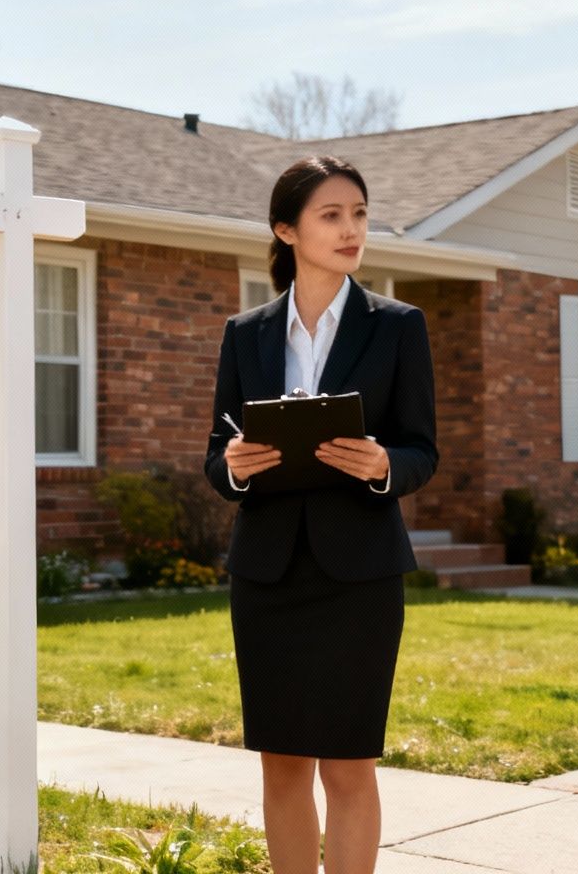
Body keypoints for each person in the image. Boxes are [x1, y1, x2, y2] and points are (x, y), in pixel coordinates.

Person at [204, 153, 438, 874]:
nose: (350, 230)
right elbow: (217, 454)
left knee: (347, 766)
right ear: (286, 229)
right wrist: (234, 468)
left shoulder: (398, 327)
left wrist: (383, 466)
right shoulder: (247, 334)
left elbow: (422, 449)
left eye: (359, 215)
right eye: (331, 215)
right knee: (281, 764)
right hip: (268, 574)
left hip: (359, 575)